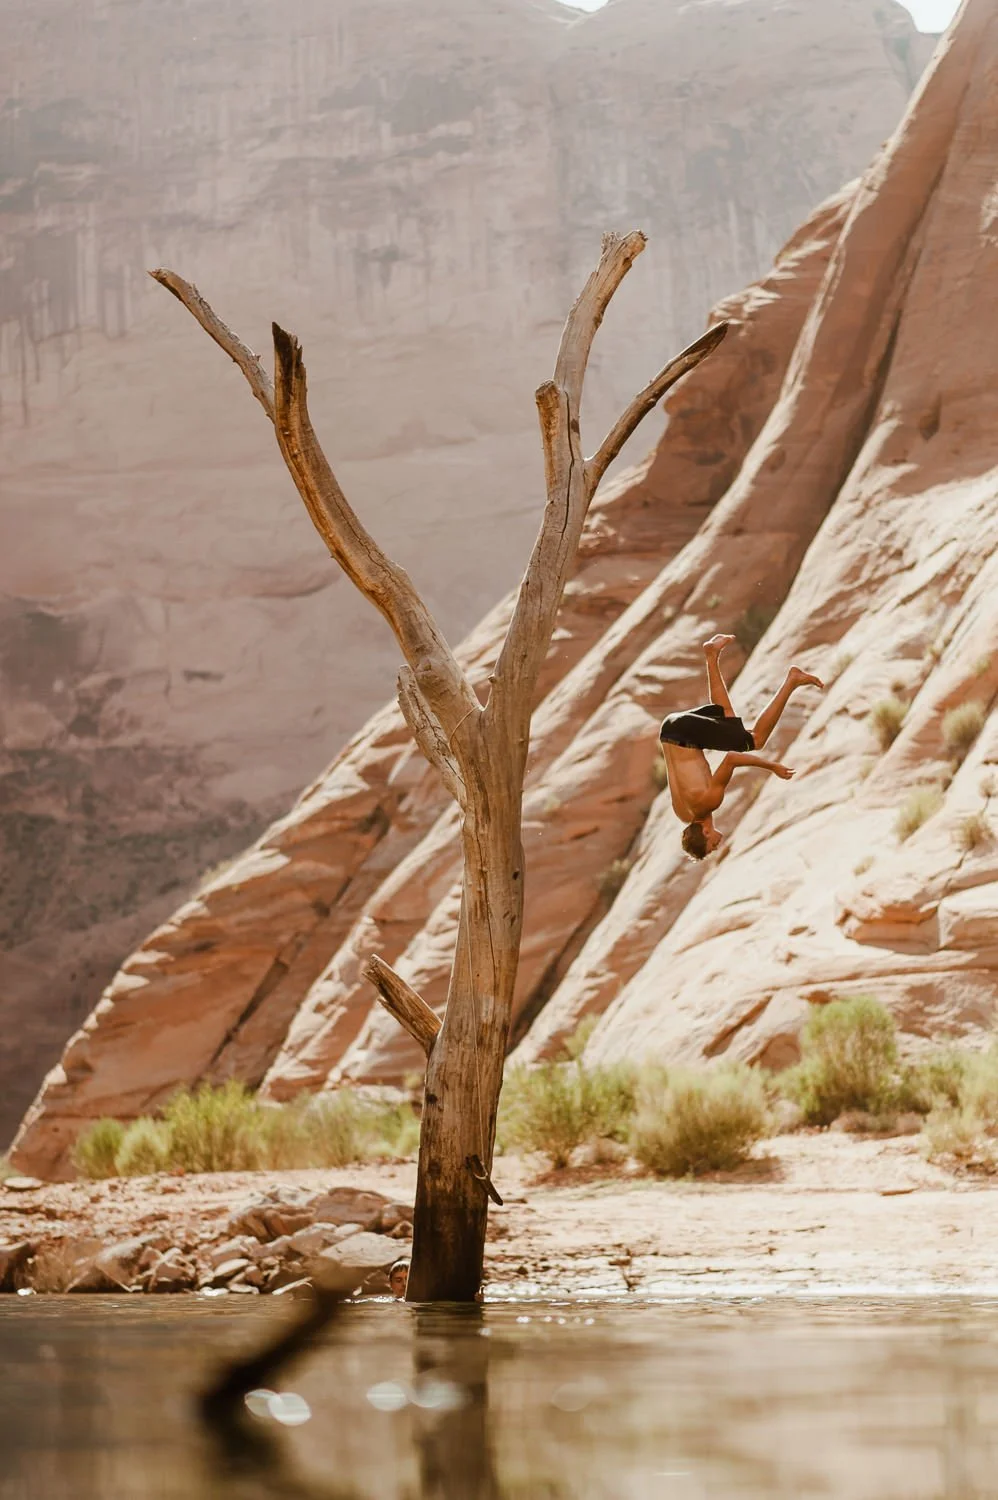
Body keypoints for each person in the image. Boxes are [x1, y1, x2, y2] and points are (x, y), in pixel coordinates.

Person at [659, 633, 823, 861]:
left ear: (705, 832)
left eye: (711, 847)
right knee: (726, 715)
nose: (716, 846)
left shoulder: (709, 803)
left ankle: (792, 680)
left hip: (684, 734)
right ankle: (711, 654)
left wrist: (771, 766)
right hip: (670, 730)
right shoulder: (682, 814)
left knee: (756, 740)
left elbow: (731, 759)